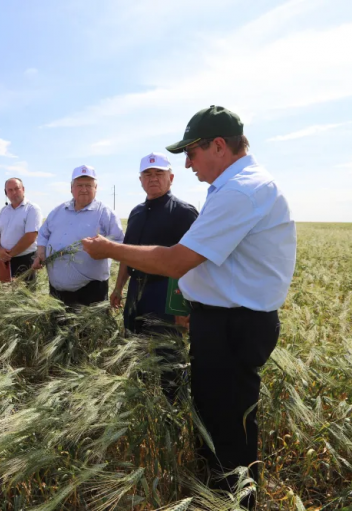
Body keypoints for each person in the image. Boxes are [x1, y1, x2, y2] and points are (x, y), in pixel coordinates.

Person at [81, 105, 296, 506]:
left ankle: (234, 501)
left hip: (233, 326)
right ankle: (218, 495)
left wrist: (109, 249)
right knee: (215, 419)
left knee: (227, 427)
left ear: (219, 146)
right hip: (222, 322)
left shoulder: (241, 191)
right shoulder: (235, 188)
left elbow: (176, 261)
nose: (187, 163)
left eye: (191, 152)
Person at [111, 153, 198, 400]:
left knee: (169, 356)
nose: (153, 178)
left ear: (171, 178)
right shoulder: (136, 213)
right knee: (135, 350)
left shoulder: (184, 212)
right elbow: (127, 254)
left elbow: (194, 262)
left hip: (166, 292)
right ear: (140, 180)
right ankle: (143, 404)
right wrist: (118, 288)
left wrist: (184, 306)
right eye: (147, 174)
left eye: (159, 173)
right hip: (136, 292)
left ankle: (174, 409)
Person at [32, 166, 123, 306]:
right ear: (71, 188)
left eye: (88, 185)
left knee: (89, 321)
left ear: (96, 188)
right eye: (79, 185)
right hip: (56, 291)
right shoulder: (58, 211)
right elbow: (43, 233)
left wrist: (105, 248)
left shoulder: (105, 213)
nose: (84, 189)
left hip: (91, 291)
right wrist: (41, 252)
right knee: (57, 320)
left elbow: (121, 246)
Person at [0, 178, 42, 282]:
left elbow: (30, 237)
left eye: (16, 189)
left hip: (26, 260)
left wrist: (9, 255)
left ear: (23, 189)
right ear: (6, 193)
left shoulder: (32, 209)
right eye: (10, 190)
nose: (14, 192)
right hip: (5, 261)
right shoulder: (3, 211)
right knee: (6, 290)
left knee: (26, 291)